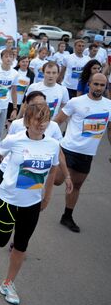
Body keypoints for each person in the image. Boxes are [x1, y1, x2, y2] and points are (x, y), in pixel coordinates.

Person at [0, 102, 70, 305]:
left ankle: (8, 283)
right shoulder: (14, 140)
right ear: (28, 120)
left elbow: (53, 171)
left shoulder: (52, 145)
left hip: (32, 204)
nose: (42, 123)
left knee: (20, 246)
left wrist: (46, 197)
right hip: (8, 199)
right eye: (37, 119)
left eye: (45, 119)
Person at [52, 73, 111, 233]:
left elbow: (110, 130)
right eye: (96, 84)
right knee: (56, 180)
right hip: (68, 149)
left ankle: (67, 216)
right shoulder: (76, 102)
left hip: (87, 154)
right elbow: (57, 121)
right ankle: (33, 201)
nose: (99, 88)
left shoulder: (108, 105)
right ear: (89, 84)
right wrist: (51, 142)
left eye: (102, 85)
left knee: (76, 185)